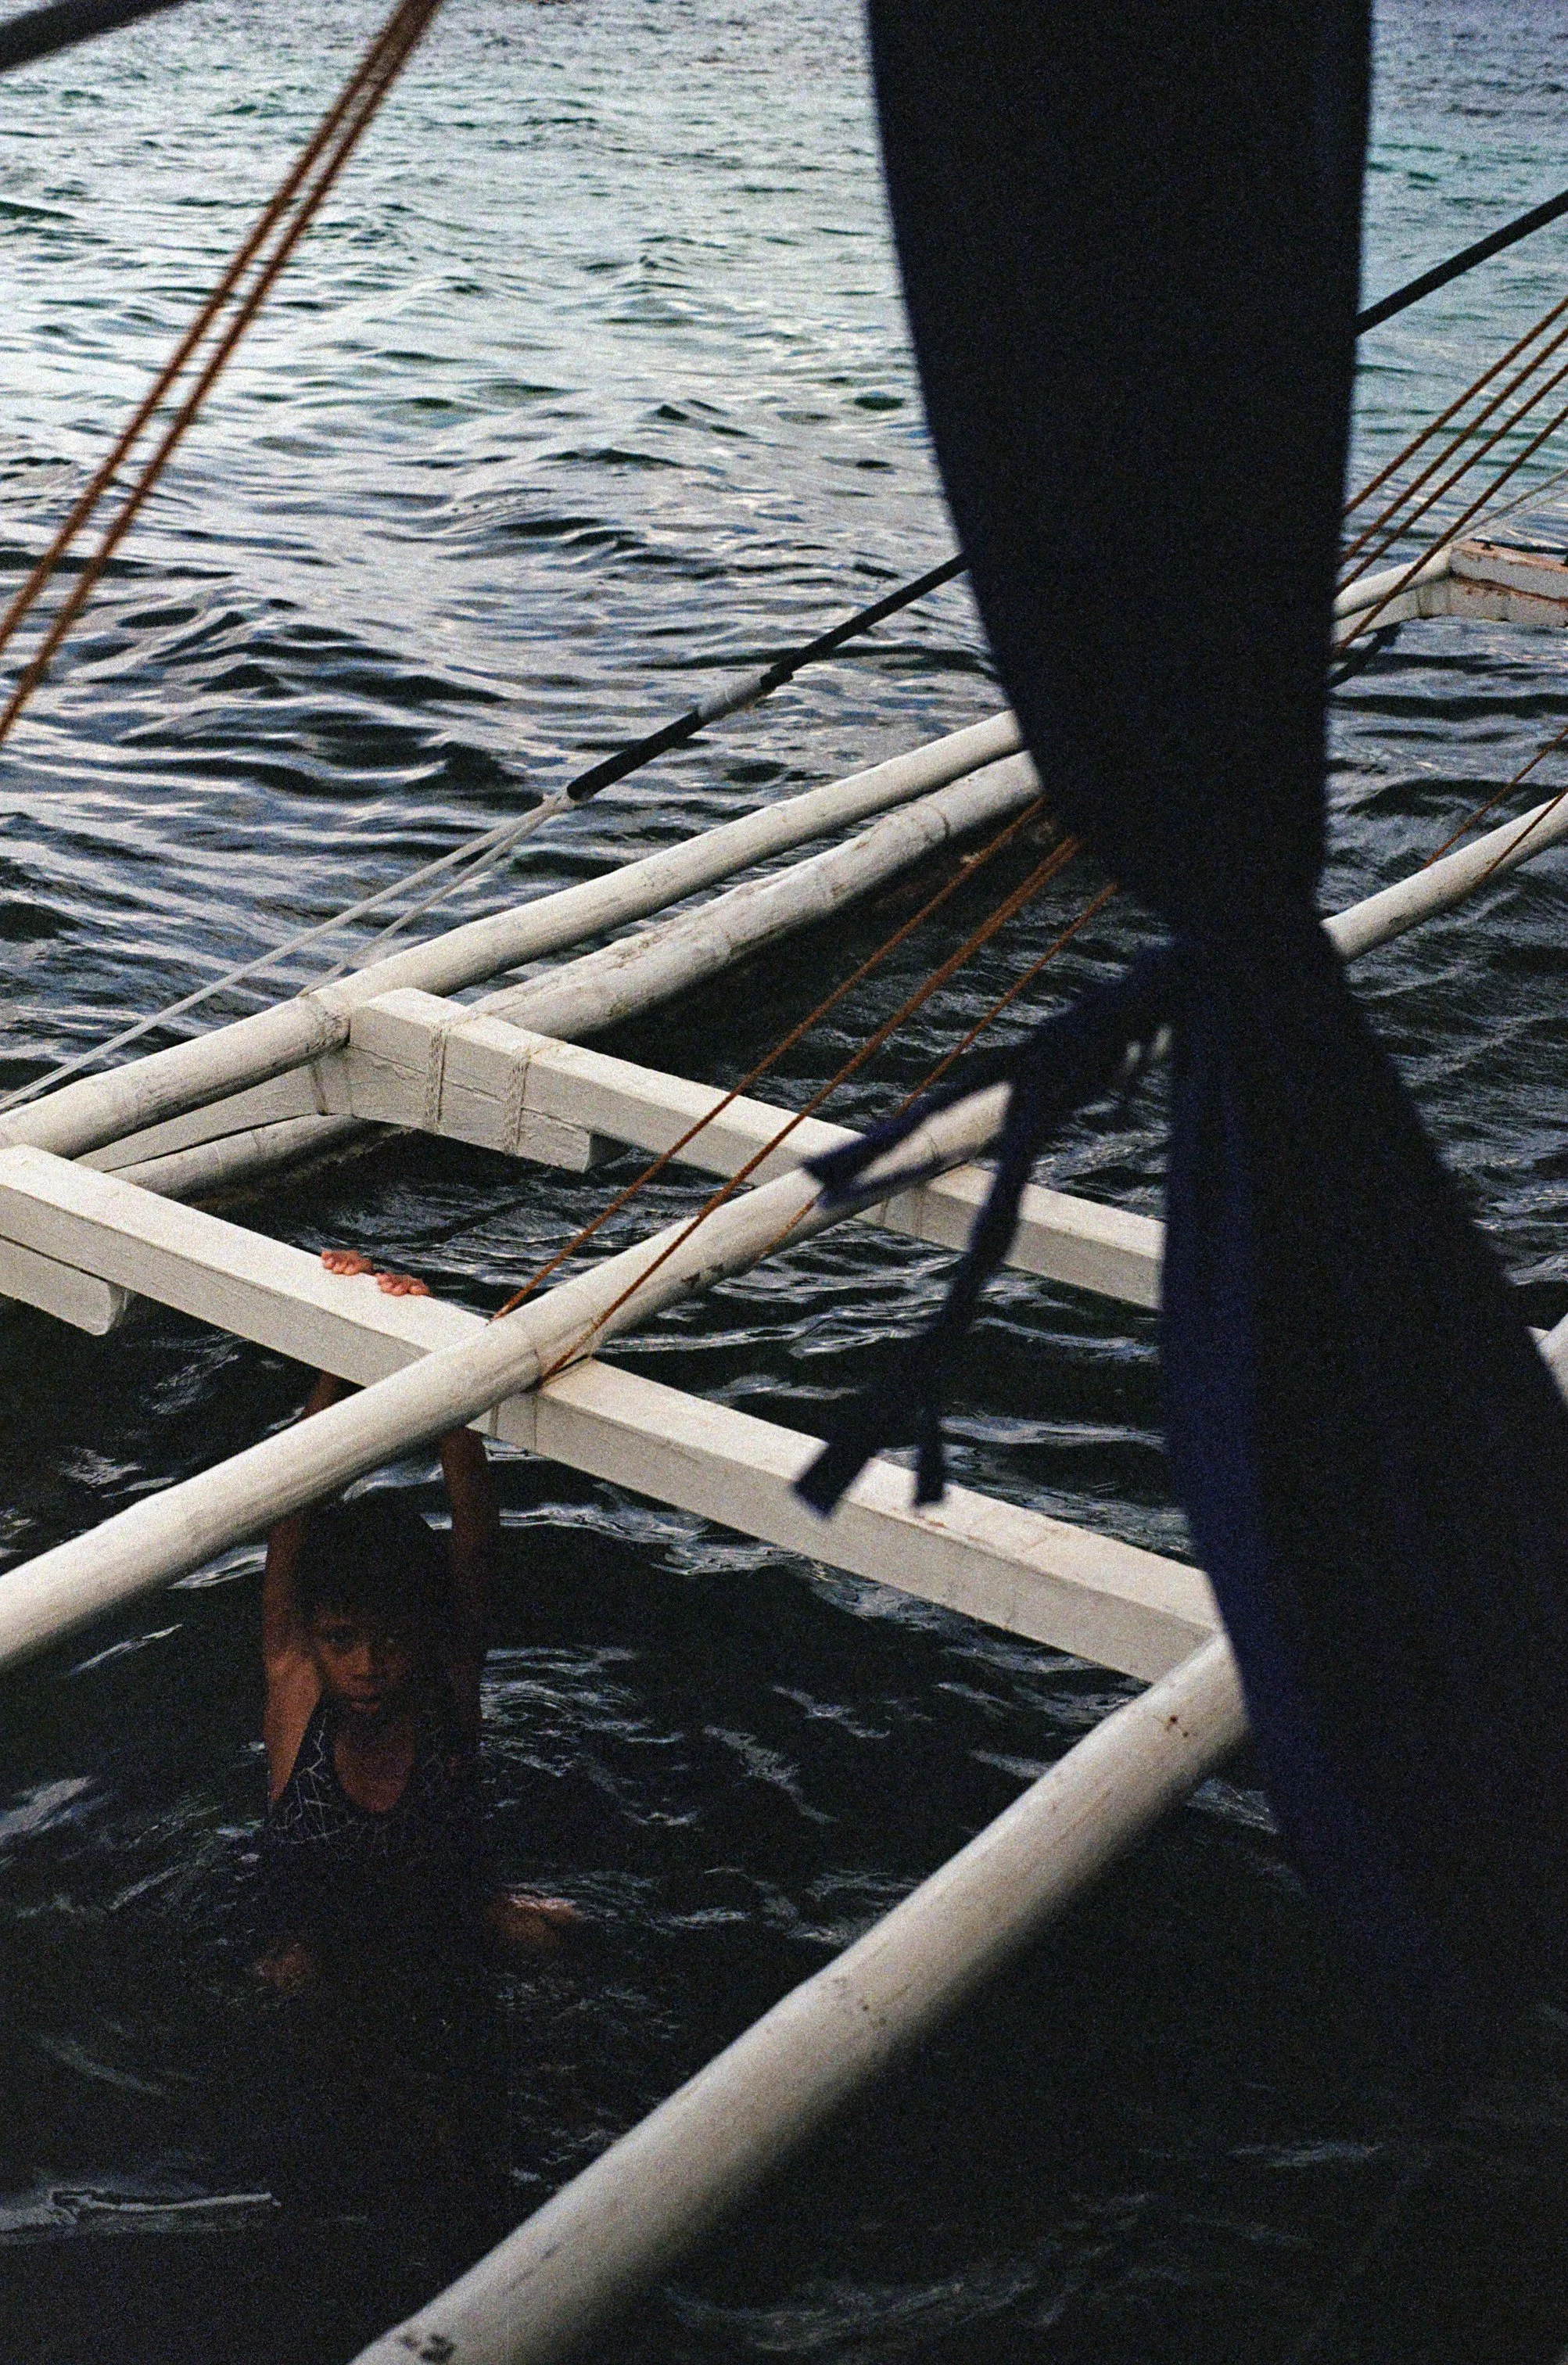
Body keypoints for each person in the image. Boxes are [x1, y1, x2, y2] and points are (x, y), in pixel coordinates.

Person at [257, 1249, 578, 1994]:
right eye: (343, 1641)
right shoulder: (295, 1679)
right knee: (290, 1979)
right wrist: (344, 1354)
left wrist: (436, 1357)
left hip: (444, 1912)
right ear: (310, 1635)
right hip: (321, 1936)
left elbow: (475, 1536)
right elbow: (289, 1517)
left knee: (560, 1930)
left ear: (424, 1635)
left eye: (392, 1639)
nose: (368, 1665)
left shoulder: (446, 1677)